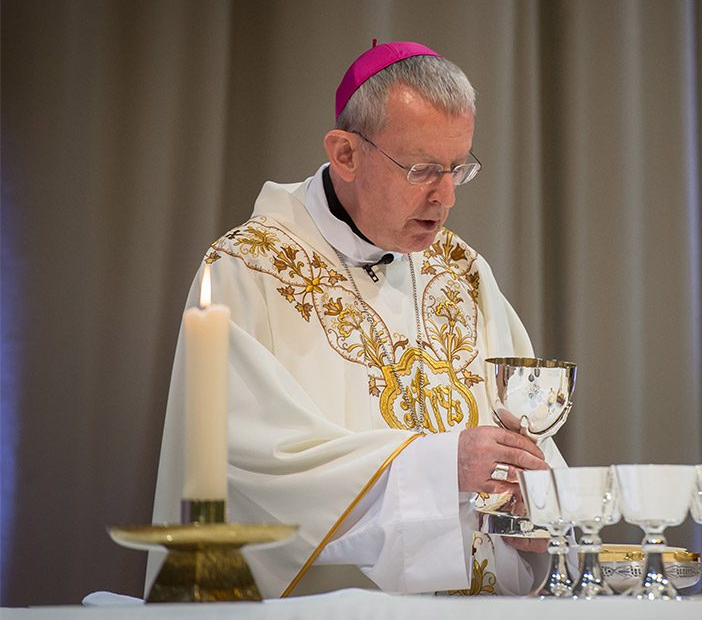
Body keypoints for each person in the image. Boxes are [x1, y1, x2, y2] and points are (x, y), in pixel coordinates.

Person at [148, 41, 562, 598]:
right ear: (346, 154)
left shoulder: (461, 270)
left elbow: (526, 439)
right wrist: (440, 466)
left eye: (457, 169)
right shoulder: (250, 269)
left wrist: (540, 517)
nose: (445, 198)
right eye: (421, 170)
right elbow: (251, 468)